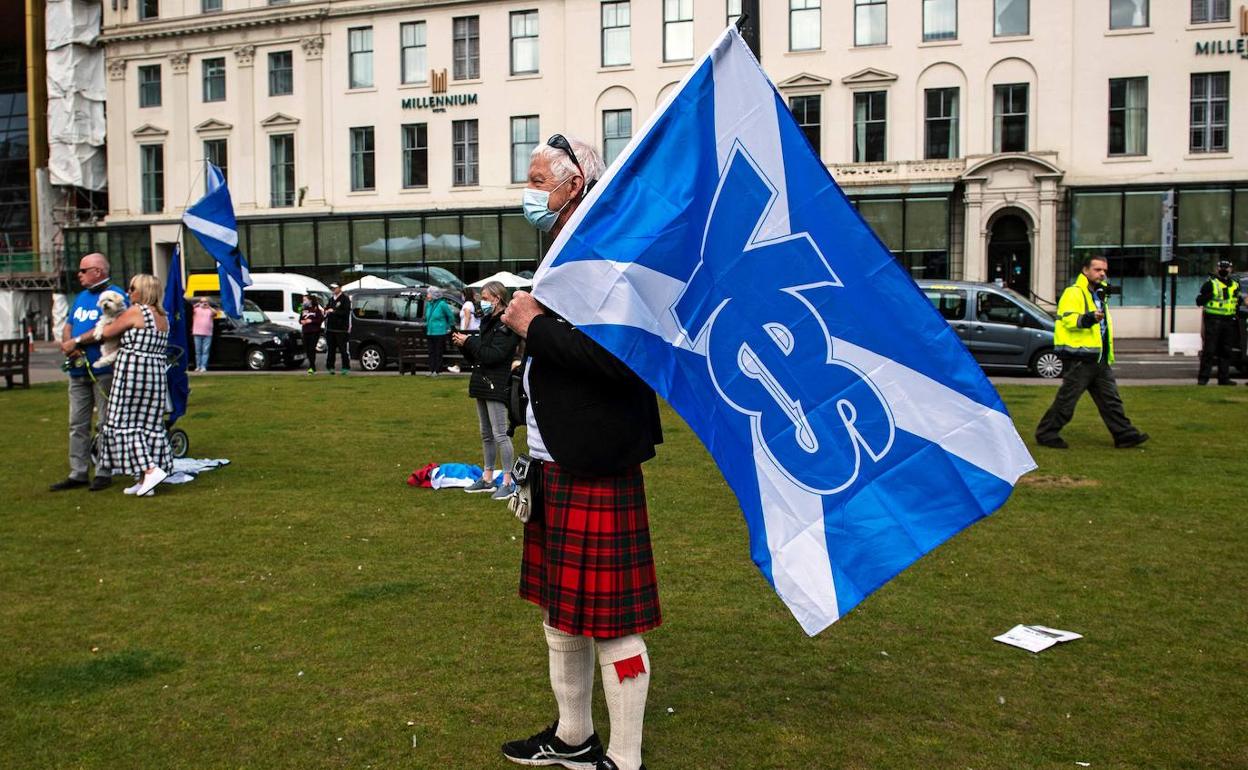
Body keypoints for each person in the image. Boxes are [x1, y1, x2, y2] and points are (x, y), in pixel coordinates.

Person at [498, 134, 663, 770]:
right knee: (560, 616)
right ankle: (573, 738)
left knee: (613, 625)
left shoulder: (610, 251)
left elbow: (624, 361)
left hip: (594, 459)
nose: (530, 192)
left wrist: (531, 324)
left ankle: (624, 759)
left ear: (576, 185)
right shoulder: (565, 248)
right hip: (553, 460)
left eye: (540, 180)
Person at [1035, 255, 1149, 450]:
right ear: (1085, 270)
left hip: (1097, 358)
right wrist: (1088, 318)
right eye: (1097, 270)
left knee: (1111, 400)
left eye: (1104, 270)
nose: (1102, 273)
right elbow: (1068, 320)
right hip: (1080, 358)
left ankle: (1125, 435)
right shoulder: (1075, 293)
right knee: (1067, 400)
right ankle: (1046, 433)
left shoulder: (1097, 294)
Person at [92, 274, 173, 497]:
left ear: (144, 292)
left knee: (120, 422)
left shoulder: (138, 311)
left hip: (133, 370)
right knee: (147, 424)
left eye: (132, 288)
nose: (129, 292)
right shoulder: (163, 317)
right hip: (155, 374)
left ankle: (149, 468)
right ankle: (143, 480)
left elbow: (108, 332)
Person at [51, 253, 127, 492]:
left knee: (105, 422)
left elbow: (110, 328)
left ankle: (104, 470)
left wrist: (76, 342)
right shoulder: (82, 297)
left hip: (103, 369)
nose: (79, 275)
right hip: (77, 370)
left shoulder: (115, 296)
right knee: (77, 422)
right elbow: (69, 324)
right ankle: (78, 472)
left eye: (83, 270)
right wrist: (68, 345)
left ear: (98, 271)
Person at [452, 281, 520, 500]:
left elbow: (494, 356)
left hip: (496, 384)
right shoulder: (488, 322)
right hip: (482, 382)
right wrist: (464, 346)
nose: (482, 302)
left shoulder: (507, 325)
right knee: (486, 433)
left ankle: (508, 482)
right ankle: (488, 478)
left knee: (500, 434)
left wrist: (470, 342)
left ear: (497, 299)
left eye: (485, 297)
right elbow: (480, 355)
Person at [1195, 259, 1242, 386]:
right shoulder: (1210, 284)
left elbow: (1238, 302)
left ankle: (1224, 379)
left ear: (1231, 269)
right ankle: (1203, 379)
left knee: (1226, 351)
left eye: (1227, 268)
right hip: (1213, 321)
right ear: (1217, 269)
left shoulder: (1235, 285)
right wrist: (1208, 297)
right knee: (1209, 351)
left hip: (1228, 322)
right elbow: (1199, 301)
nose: (1225, 270)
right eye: (1222, 267)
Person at [424, 286, 457, 377]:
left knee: (438, 352)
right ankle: (431, 369)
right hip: (430, 331)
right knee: (431, 351)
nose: (427, 295)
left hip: (440, 332)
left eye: (429, 293)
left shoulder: (442, 304)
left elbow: (450, 316)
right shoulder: (429, 304)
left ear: (434, 294)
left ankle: (437, 370)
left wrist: (449, 326)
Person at [324, 282, 351, 375]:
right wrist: (327, 311)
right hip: (331, 328)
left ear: (340, 288)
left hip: (341, 329)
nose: (333, 290)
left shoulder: (345, 299)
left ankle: (345, 367)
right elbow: (327, 309)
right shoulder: (331, 299)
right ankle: (330, 367)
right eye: (332, 288)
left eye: (335, 288)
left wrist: (334, 311)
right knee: (331, 349)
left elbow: (345, 312)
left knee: (343, 350)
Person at [299, 294, 325, 374]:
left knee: (311, 348)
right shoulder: (304, 309)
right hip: (305, 331)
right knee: (307, 350)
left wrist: (311, 321)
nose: (304, 302)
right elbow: (300, 319)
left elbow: (320, 319)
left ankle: (312, 367)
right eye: (303, 300)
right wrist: (302, 321)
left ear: (310, 300)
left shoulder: (316, 309)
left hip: (314, 332)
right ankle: (311, 365)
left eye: (305, 300)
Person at [191, 297, 215, 372]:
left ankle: (203, 366)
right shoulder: (196, 309)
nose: (204, 303)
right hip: (197, 332)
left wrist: (209, 307)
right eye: (202, 301)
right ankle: (198, 366)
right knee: (198, 351)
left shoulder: (210, 310)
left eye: (205, 302)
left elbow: (215, 313)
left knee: (205, 351)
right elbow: (189, 309)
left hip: (207, 333)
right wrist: (197, 304)